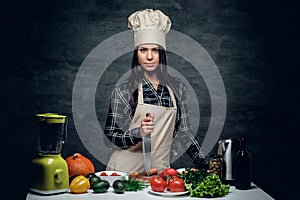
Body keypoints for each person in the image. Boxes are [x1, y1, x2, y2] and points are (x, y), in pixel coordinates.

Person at [104, 9, 207, 174]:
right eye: (143, 50)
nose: (149, 56)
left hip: (159, 176)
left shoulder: (177, 88)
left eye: (155, 50)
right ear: (136, 54)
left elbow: (184, 133)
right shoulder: (125, 90)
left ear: (162, 53)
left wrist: (204, 165)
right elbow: (110, 136)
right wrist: (137, 133)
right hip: (123, 176)